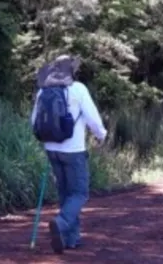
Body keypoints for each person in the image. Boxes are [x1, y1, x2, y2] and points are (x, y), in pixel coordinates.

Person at [30, 55, 107, 254]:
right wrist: (101, 135)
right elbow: (93, 119)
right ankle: (61, 223)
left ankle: (71, 239)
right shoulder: (78, 89)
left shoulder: (43, 90)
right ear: (71, 70)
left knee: (66, 193)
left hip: (51, 149)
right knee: (80, 193)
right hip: (73, 151)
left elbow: (34, 122)